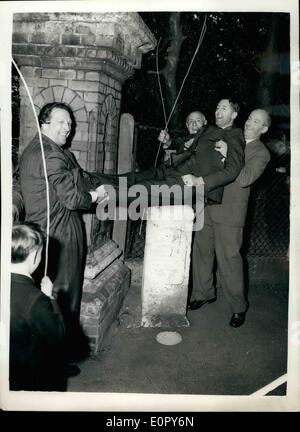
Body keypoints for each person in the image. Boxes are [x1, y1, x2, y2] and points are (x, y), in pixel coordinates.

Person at [19, 102, 108, 371]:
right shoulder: (51, 154)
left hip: (46, 230)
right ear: (44, 123)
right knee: (64, 295)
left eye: (69, 123)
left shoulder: (36, 149)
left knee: (50, 294)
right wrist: (96, 196)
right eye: (61, 122)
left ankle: (49, 355)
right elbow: (72, 199)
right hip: (61, 231)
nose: (67, 128)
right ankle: (55, 361)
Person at [189, 107, 271, 328]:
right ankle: (203, 292)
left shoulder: (261, 153)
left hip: (231, 212)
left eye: (256, 122)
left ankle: (238, 307)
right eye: (249, 118)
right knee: (201, 252)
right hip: (208, 205)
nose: (249, 123)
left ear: (263, 129)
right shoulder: (230, 137)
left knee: (230, 261)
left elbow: (244, 178)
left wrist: (227, 155)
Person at [10, 223, 66, 391]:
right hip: (24, 374)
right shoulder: (35, 299)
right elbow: (57, 334)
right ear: (34, 255)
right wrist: (49, 297)